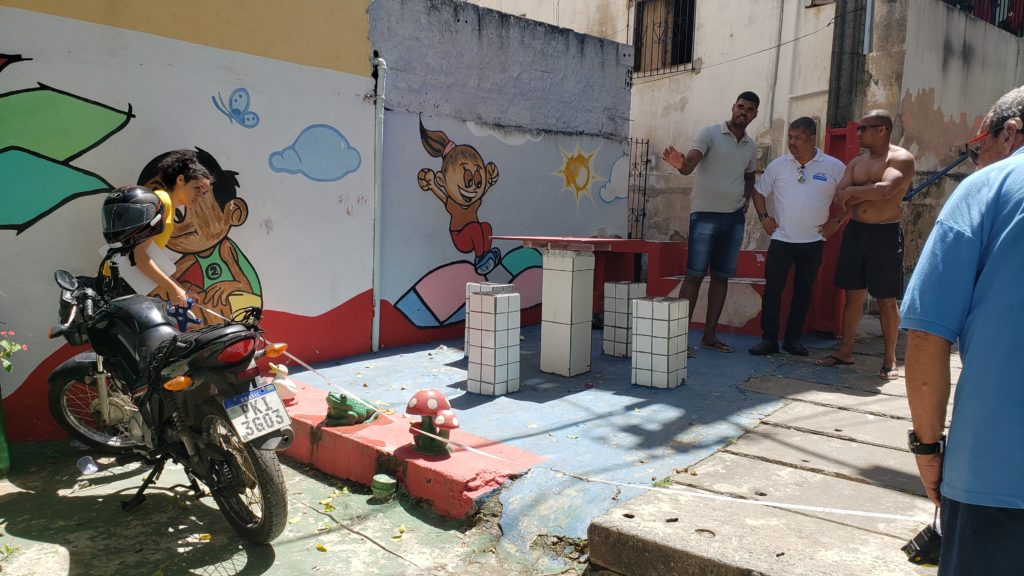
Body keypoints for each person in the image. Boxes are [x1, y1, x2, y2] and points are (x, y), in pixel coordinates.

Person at [900, 87, 1024, 575]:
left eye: (977, 148)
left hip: (997, 474)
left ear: (1009, 133)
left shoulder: (988, 188)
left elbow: (927, 337)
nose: (978, 160)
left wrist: (928, 449)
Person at [815, 110, 915, 379]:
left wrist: (856, 191)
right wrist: (866, 190)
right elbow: (840, 196)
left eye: (864, 128)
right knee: (853, 294)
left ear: (882, 130)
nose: (858, 133)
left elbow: (887, 190)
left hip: (884, 234)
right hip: (856, 232)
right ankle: (845, 352)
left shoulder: (901, 158)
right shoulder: (856, 162)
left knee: (886, 299)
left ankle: (890, 359)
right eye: (858, 128)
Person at [662, 91, 759, 353]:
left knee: (721, 277)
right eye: (740, 106)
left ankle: (710, 336)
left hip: (734, 219)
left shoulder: (750, 146)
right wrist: (681, 164)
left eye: (749, 109)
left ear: (754, 115)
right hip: (705, 215)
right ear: (733, 107)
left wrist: (746, 201)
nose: (743, 112)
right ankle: (677, 339)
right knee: (694, 275)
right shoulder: (709, 134)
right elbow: (689, 165)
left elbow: (750, 176)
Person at [748, 117, 846, 356]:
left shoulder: (834, 166)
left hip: (813, 241)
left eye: (798, 138)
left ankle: (793, 339)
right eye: (790, 137)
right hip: (781, 240)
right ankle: (769, 340)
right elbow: (758, 192)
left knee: (804, 291)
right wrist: (764, 217)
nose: (791, 142)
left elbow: (850, 199)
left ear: (812, 139)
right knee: (773, 290)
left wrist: (837, 222)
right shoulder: (778, 165)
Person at [101, 150, 214, 307]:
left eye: (204, 192)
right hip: (119, 282)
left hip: (122, 280)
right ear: (180, 180)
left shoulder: (167, 206)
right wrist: (173, 289)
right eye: (197, 188)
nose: (200, 196)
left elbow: (148, 257)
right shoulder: (162, 202)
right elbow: (139, 257)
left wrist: (181, 289)